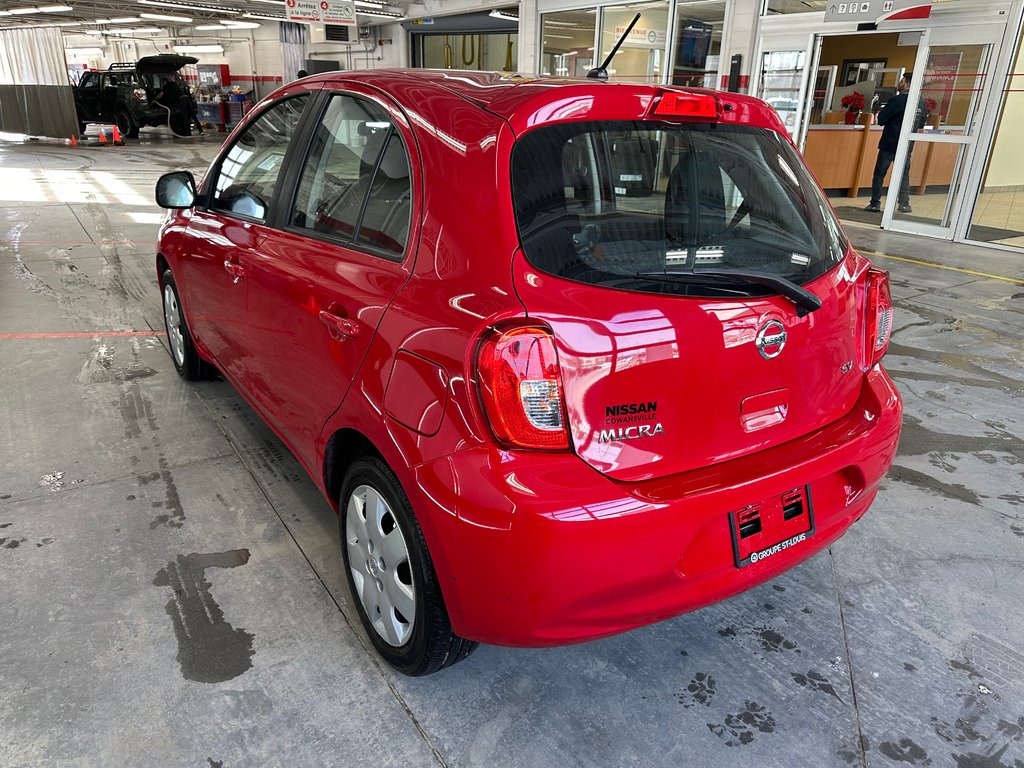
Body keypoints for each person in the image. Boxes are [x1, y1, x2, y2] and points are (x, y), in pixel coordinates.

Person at [865, 72, 927, 214]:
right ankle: (904, 204)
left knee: (880, 173)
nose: (899, 83)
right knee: (904, 174)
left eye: (902, 80)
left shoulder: (897, 100)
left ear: (907, 84)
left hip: (890, 143)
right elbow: (922, 122)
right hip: (906, 145)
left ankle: (875, 203)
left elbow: (881, 120)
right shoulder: (921, 101)